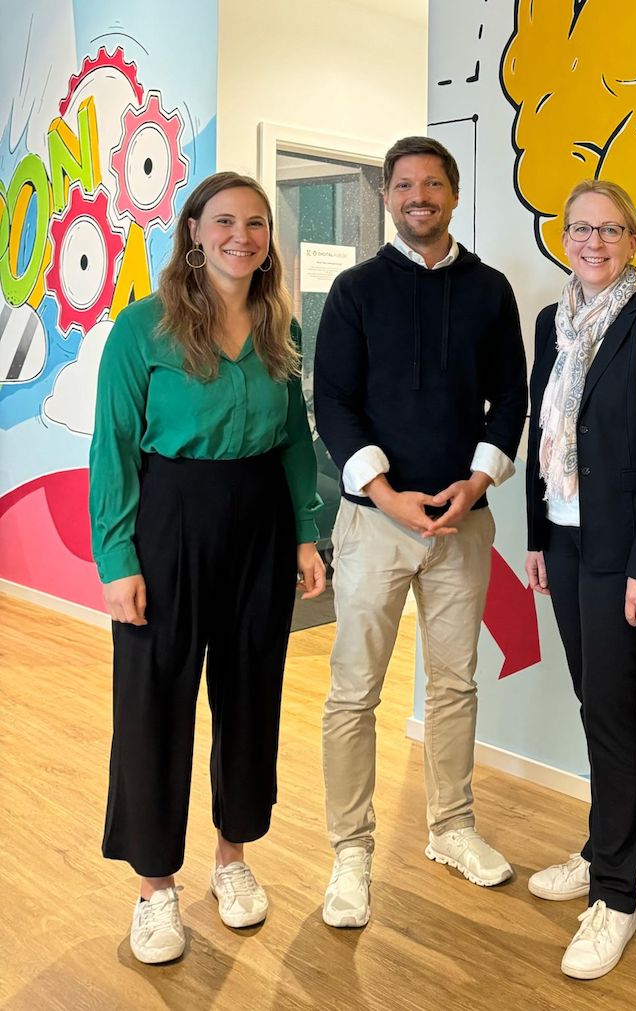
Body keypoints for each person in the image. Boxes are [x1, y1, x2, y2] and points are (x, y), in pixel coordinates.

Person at [89, 172, 325, 964]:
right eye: (223, 221)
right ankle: (154, 887)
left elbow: (294, 442)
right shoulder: (143, 329)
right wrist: (118, 558)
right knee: (154, 699)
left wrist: (305, 534)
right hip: (169, 520)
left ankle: (233, 858)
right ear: (194, 230)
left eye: (255, 223)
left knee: (251, 693)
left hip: (260, 520)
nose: (240, 236)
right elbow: (113, 449)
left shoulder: (280, 326)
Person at [314, 137, 528, 926]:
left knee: (454, 684)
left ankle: (451, 826)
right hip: (376, 524)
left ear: (454, 194)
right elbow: (333, 402)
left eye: (433, 184)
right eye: (404, 184)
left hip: (463, 524)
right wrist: (384, 491)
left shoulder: (490, 290)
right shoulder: (354, 290)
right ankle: (350, 849)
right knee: (354, 690)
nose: (418, 197)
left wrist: (477, 482)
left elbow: (512, 398)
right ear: (386, 196)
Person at [522, 179, 636, 980]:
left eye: (611, 229)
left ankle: (616, 894)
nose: (595, 242)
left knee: (614, 708)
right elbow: (541, 431)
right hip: (566, 540)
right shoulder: (551, 323)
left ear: (632, 240)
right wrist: (536, 537)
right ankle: (599, 847)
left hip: (623, 554)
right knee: (596, 702)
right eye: (581, 229)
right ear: (564, 238)